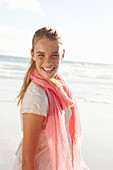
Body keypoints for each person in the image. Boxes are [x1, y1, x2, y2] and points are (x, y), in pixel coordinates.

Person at [13, 27, 88, 170]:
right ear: (32, 55)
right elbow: (27, 160)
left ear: (63, 54)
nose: (48, 62)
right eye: (41, 55)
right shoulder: (37, 97)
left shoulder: (58, 87)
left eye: (54, 55)